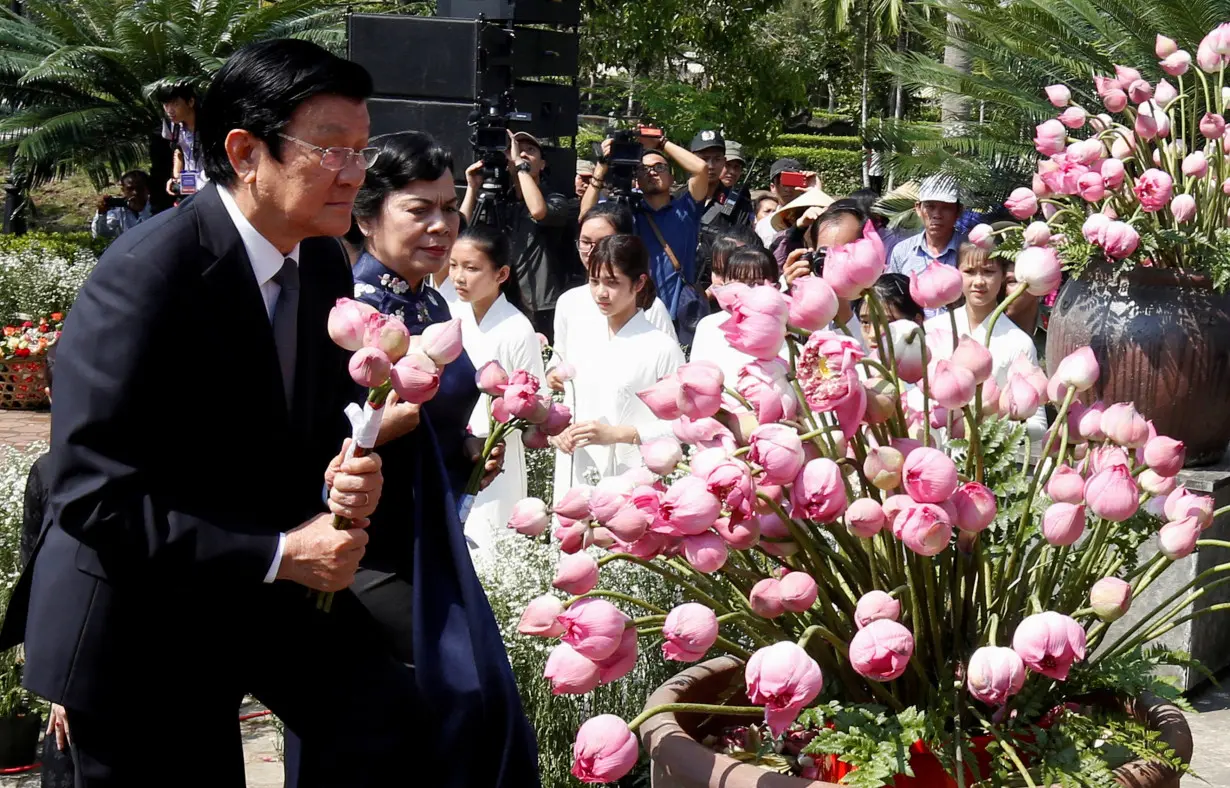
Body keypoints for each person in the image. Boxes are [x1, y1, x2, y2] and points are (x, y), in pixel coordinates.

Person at [0, 40, 412, 787]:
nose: (355, 173)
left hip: (251, 588)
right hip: (137, 619)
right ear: (244, 151)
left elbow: (303, 421)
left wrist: (346, 472)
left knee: (401, 718)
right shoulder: (147, 278)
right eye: (330, 149)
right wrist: (287, 554)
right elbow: (93, 497)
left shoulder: (320, 257)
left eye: (362, 149)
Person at [286, 129, 538, 788]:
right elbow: (323, 438)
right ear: (367, 216)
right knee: (442, 707)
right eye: (417, 208)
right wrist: (384, 428)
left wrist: (466, 447)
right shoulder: (352, 313)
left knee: (459, 712)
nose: (439, 225)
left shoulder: (428, 303)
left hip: (427, 540)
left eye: (449, 208)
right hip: (364, 554)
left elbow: (436, 412)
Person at [551, 234, 684, 498]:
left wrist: (618, 434)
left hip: (633, 476)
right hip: (576, 468)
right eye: (594, 281)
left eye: (612, 283)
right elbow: (567, 402)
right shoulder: (580, 336)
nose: (601, 292)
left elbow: (683, 424)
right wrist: (559, 433)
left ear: (639, 283)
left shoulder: (660, 347)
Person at [447, 225, 545, 559]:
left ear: (501, 273)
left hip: (495, 454)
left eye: (471, 268)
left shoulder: (517, 328)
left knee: (491, 551)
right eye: (454, 265)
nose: (459, 277)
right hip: (452, 447)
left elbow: (534, 401)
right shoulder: (450, 315)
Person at [581, 129, 708, 342]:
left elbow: (701, 169)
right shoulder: (626, 212)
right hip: (636, 313)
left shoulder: (686, 209)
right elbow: (587, 216)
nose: (652, 172)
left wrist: (661, 143)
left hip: (680, 314)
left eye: (660, 167)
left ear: (672, 175)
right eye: (643, 168)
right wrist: (602, 164)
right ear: (636, 179)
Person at [462, 130, 579, 341]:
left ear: (542, 164)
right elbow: (463, 234)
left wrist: (520, 166)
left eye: (530, 150)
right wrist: (472, 188)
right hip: (500, 300)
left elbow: (537, 211)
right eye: (516, 149)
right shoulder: (498, 201)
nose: (522, 154)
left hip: (539, 305)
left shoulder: (556, 199)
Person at [924, 242, 1047, 439]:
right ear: (956, 274)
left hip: (987, 460)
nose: (979, 281)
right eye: (970, 271)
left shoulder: (1019, 341)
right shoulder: (933, 329)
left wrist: (987, 424)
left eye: (988, 272)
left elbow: (1037, 424)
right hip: (935, 453)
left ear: (1002, 277)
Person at [550, 202, 676, 392]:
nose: (593, 252)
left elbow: (669, 386)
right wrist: (552, 374)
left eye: (603, 243)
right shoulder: (568, 302)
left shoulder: (650, 308)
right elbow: (559, 356)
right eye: (585, 242)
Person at [690, 246, 780, 382]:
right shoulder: (708, 327)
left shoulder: (787, 332)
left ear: (776, 287)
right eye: (738, 283)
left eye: (755, 283)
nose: (744, 292)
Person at [693, 130, 753, 294]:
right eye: (704, 159)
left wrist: (717, 290)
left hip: (720, 292)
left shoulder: (739, 204)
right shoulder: (678, 199)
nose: (710, 165)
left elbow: (743, 251)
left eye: (717, 159)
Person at [888, 174, 965, 283]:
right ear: (918, 208)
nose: (937, 215)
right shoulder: (902, 251)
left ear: (959, 211)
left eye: (946, 208)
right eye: (930, 207)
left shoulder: (970, 250)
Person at [855, 274, 925, 359]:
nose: (872, 335)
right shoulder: (860, 370)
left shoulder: (936, 364)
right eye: (865, 322)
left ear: (917, 321)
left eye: (886, 322)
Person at [156, 82, 203, 198]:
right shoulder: (171, 124)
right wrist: (176, 177)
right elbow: (179, 150)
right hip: (190, 187)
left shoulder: (211, 126)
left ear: (190, 102)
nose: (169, 110)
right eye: (165, 105)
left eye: (175, 104)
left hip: (213, 186)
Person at [754, 157, 815, 246]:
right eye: (782, 183)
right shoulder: (764, 226)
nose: (788, 189)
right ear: (773, 187)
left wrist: (816, 191)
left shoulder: (814, 217)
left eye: (793, 181)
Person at [89, 170, 151, 240]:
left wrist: (142, 211)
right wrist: (102, 214)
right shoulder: (118, 210)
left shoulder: (158, 207)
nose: (135, 193)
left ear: (148, 188)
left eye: (139, 188)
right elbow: (102, 234)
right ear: (123, 190)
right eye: (130, 189)